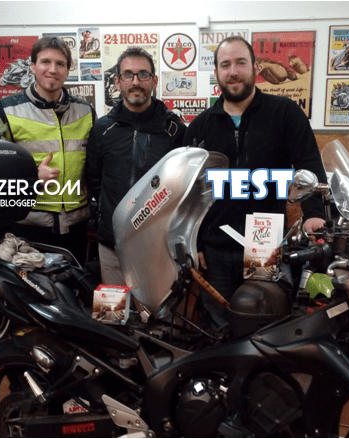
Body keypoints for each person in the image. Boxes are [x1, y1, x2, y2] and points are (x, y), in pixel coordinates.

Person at [183, 36, 327, 327]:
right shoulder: (200, 126)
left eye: (240, 63)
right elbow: (189, 193)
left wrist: (314, 214)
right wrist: (192, 242)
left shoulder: (285, 114)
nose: (233, 71)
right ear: (217, 73)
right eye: (225, 65)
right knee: (220, 328)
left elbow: (310, 167)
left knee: (269, 327)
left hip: (267, 248)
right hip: (215, 251)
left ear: (255, 67)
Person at [0, 36, 96, 262]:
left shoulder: (86, 112)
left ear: (67, 70)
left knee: (73, 284)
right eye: (45, 62)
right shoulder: (3, 112)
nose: (52, 69)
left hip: (76, 228)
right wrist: (31, 178)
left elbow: (95, 167)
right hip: (26, 230)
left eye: (60, 64)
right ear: (33, 66)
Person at [86, 47, 186, 285]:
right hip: (112, 245)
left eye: (143, 74)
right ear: (118, 81)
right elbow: (94, 180)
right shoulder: (102, 129)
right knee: (116, 308)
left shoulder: (174, 130)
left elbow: (183, 189)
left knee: (157, 308)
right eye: (128, 75)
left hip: (159, 247)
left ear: (154, 80)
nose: (135, 82)